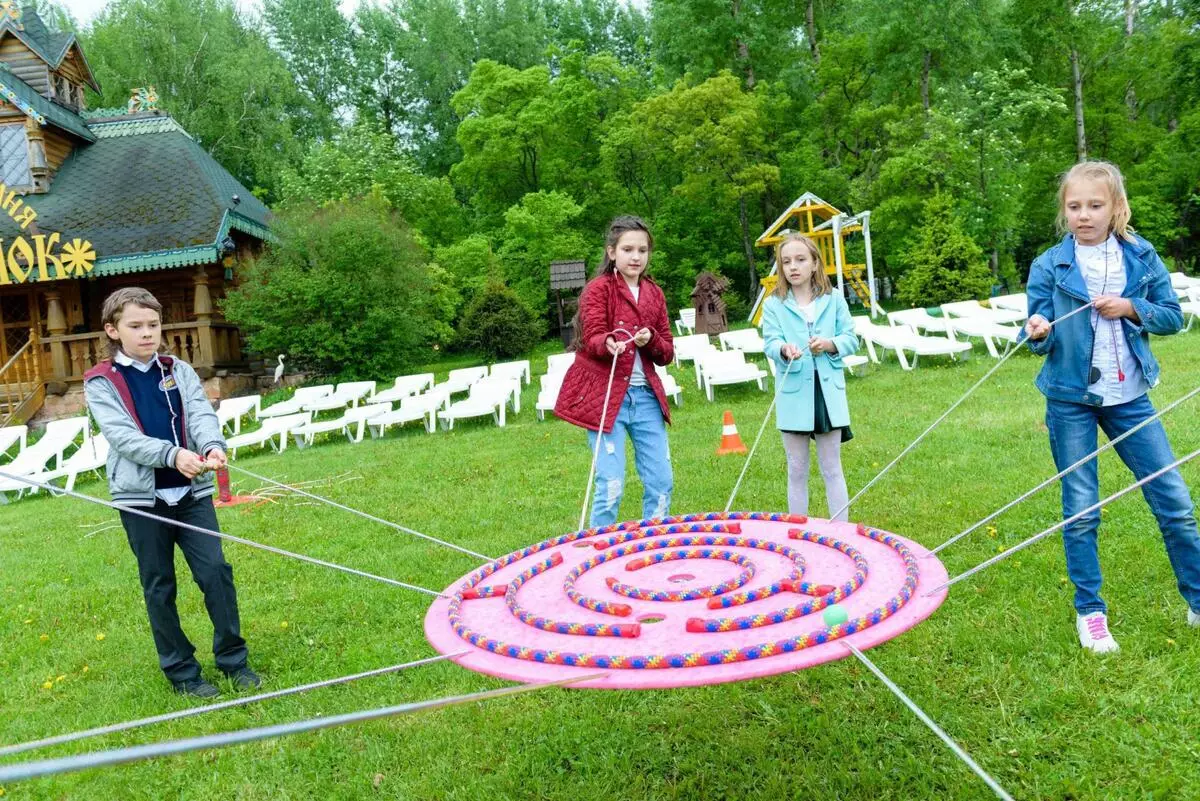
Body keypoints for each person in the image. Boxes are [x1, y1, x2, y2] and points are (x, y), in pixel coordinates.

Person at [1024, 160, 1200, 654]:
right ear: (1065, 211)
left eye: (1095, 205)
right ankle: (1091, 613)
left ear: (1116, 208)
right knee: (1081, 510)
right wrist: (1038, 330)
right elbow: (1034, 326)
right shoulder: (1049, 265)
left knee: (1176, 503)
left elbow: (1171, 316)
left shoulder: (1141, 256)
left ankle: (1199, 600)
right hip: (1070, 401)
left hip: (1131, 400)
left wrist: (1130, 308)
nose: (1084, 215)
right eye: (1074, 206)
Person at [85, 287, 260, 696]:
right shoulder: (100, 381)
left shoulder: (176, 368)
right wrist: (172, 455)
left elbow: (199, 414)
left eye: (154, 324)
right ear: (113, 330)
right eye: (136, 326)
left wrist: (211, 445)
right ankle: (183, 672)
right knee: (159, 584)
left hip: (191, 495)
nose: (148, 333)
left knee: (216, 572)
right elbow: (123, 437)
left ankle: (234, 661)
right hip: (142, 501)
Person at [555, 216, 675, 527]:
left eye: (643, 250)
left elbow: (667, 353)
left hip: (646, 399)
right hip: (608, 398)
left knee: (661, 481)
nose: (636, 257)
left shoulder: (655, 294)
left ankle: (655, 544)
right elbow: (590, 336)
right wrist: (607, 342)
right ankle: (599, 550)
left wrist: (651, 342)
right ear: (612, 253)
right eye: (628, 249)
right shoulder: (598, 290)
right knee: (611, 484)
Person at [761, 233, 859, 521]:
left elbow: (851, 337)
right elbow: (770, 341)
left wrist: (830, 344)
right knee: (797, 469)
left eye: (801, 260)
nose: (793, 267)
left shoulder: (834, 299)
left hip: (828, 395)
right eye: (786, 261)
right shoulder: (774, 305)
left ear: (815, 263)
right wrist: (783, 348)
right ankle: (799, 532)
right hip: (793, 395)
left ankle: (841, 530)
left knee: (832, 468)